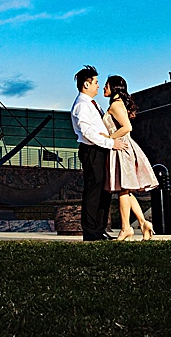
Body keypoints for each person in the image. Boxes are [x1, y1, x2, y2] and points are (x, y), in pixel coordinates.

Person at [71, 65, 129, 241]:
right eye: (95, 82)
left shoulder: (93, 105)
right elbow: (87, 133)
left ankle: (100, 228)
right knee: (93, 190)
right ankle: (91, 232)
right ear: (86, 85)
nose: (98, 85)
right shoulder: (81, 105)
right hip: (92, 150)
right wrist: (111, 143)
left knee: (104, 191)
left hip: (101, 149)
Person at [102, 75, 158, 240]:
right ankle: (143, 223)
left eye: (107, 85)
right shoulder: (117, 104)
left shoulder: (115, 105)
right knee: (125, 190)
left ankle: (126, 228)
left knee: (122, 191)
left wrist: (109, 138)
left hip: (122, 148)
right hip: (123, 147)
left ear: (114, 88)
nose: (104, 88)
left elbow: (127, 127)